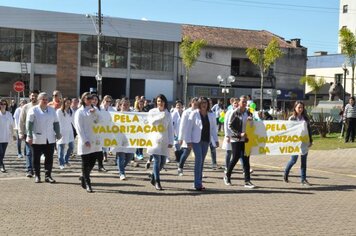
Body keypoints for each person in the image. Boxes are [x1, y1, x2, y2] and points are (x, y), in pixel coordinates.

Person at [26, 92, 61, 183]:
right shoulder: (33, 110)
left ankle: (48, 175)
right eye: (43, 99)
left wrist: (58, 133)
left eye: (46, 99)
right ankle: (37, 175)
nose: (45, 101)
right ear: (39, 100)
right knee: (36, 158)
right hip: (37, 138)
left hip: (50, 138)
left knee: (49, 158)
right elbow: (29, 124)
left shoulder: (52, 110)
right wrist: (29, 135)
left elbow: (56, 123)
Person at [186, 96, 219, 191]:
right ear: (199, 104)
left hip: (206, 140)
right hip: (196, 141)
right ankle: (197, 183)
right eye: (202, 102)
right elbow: (189, 129)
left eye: (206, 102)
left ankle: (199, 182)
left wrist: (216, 140)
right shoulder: (194, 114)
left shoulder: (211, 115)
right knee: (198, 159)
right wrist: (188, 141)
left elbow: (213, 129)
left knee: (201, 162)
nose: (204, 104)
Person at [224, 95, 255, 189]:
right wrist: (239, 134)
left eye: (246, 102)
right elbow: (230, 125)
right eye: (243, 102)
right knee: (235, 158)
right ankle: (227, 175)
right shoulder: (235, 112)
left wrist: (251, 120)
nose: (244, 103)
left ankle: (247, 181)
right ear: (239, 103)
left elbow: (252, 124)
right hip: (236, 139)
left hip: (245, 139)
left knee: (246, 159)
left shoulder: (248, 112)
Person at [74, 92, 102, 192]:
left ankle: (83, 176)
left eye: (91, 98)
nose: (90, 100)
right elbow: (79, 128)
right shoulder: (79, 112)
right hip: (85, 140)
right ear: (83, 99)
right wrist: (84, 140)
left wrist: (95, 112)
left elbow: (100, 121)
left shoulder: (95, 109)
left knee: (93, 161)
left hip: (95, 140)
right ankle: (88, 183)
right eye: (88, 98)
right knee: (85, 163)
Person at [147, 94, 174, 190]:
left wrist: (171, 141)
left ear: (165, 102)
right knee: (157, 160)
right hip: (154, 138)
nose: (160, 103)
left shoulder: (168, 113)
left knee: (162, 162)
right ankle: (157, 182)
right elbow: (151, 123)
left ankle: (153, 176)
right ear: (156, 102)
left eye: (162, 101)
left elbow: (170, 128)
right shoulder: (152, 112)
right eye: (158, 101)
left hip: (164, 139)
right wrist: (159, 117)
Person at [284, 101, 313, 186]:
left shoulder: (306, 118)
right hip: (295, 143)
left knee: (304, 161)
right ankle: (286, 173)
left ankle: (303, 179)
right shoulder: (292, 118)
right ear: (295, 108)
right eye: (298, 107)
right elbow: (288, 131)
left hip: (304, 142)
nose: (300, 109)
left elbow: (309, 130)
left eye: (302, 107)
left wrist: (310, 140)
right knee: (293, 160)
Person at [113, 97, 136, 180]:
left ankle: (121, 168)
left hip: (130, 139)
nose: (125, 106)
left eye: (127, 105)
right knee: (121, 156)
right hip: (119, 138)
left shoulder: (134, 115)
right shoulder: (116, 115)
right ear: (120, 105)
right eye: (124, 105)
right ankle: (122, 173)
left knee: (130, 156)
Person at [18, 90, 39, 178]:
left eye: (35, 96)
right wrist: (20, 132)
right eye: (32, 95)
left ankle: (35, 169)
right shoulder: (26, 107)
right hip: (28, 133)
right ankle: (29, 170)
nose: (33, 97)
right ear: (30, 97)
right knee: (29, 152)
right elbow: (21, 121)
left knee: (37, 153)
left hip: (38, 134)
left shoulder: (40, 107)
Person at [177, 97, 199, 176]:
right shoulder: (186, 112)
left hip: (196, 136)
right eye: (194, 103)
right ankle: (180, 167)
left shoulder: (199, 112)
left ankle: (198, 171)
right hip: (187, 135)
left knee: (198, 155)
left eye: (197, 104)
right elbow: (182, 125)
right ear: (191, 103)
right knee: (186, 152)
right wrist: (181, 138)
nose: (195, 105)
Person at [56, 97, 75, 169]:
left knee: (71, 147)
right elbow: (57, 122)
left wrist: (77, 130)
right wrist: (57, 132)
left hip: (69, 131)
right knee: (61, 148)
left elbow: (73, 121)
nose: (68, 104)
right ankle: (61, 163)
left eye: (69, 102)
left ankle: (66, 159)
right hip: (61, 131)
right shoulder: (59, 111)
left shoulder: (71, 111)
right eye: (67, 102)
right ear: (64, 103)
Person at [222, 97, 239, 172]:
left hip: (237, 135)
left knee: (239, 152)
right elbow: (226, 124)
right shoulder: (229, 112)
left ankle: (245, 169)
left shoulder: (240, 112)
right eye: (235, 103)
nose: (236, 104)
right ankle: (227, 167)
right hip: (230, 134)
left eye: (238, 103)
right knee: (229, 152)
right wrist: (227, 135)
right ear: (232, 103)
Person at [91, 94, 106, 172]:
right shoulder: (87, 109)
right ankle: (88, 168)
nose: (94, 101)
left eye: (96, 99)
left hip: (99, 132)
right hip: (90, 132)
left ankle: (100, 166)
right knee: (91, 151)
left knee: (99, 149)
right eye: (93, 99)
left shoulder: (101, 109)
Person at [0, 99, 15, 173]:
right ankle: (2, 166)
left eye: (4, 104)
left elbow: (11, 125)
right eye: (1, 104)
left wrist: (13, 134)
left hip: (6, 137)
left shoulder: (9, 114)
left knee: (3, 153)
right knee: (0, 152)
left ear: (6, 105)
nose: (3, 105)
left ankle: (0, 163)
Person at [100, 95, 115, 162]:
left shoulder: (112, 109)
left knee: (106, 142)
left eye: (109, 101)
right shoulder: (99, 108)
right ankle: (103, 154)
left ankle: (105, 154)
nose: (108, 102)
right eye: (107, 101)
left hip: (108, 128)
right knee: (100, 142)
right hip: (100, 128)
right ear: (103, 100)